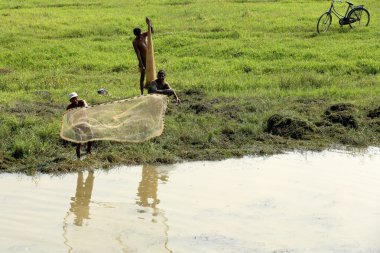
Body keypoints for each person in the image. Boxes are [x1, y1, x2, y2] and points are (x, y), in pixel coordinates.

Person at [66, 92, 93, 158]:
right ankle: (78, 157)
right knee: (79, 140)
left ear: (77, 98)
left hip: (85, 122)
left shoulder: (82, 102)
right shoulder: (69, 107)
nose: (74, 100)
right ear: (70, 101)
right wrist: (74, 128)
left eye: (75, 98)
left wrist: (85, 106)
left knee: (90, 136)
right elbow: (68, 120)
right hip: (76, 124)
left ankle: (88, 151)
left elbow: (86, 107)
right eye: (72, 99)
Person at [133, 17, 154, 95]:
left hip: (149, 59)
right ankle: (141, 93)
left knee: (151, 74)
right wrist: (141, 64)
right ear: (135, 35)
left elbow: (151, 32)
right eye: (138, 36)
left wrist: (149, 24)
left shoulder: (143, 35)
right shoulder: (135, 42)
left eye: (140, 34)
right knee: (142, 77)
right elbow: (138, 53)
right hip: (142, 60)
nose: (140, 36)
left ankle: (152, 90)